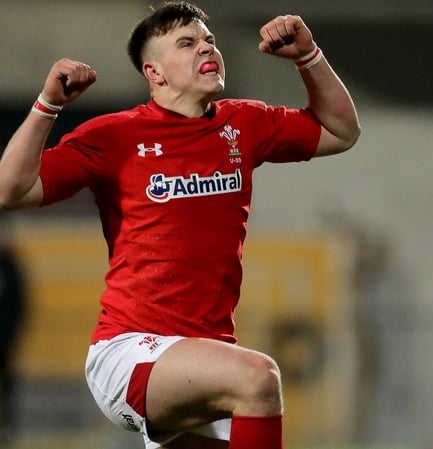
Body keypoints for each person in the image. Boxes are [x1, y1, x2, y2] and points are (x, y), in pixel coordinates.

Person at [0, 1, 360, 448]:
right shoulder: (114, 136)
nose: (206, 48)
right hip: (131, 352)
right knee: (259, 378)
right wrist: (47, 104)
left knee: (249, 385)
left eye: (208, 40)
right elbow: (9, 190)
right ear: (155, 73)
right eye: (186, 43)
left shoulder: (242, 123)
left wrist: (309, 57)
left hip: (203, 359)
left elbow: (341, 131)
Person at [0, 215, 27, 445]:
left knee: (7, 382)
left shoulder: (10, 265)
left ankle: (7, 426)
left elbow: (19, 304)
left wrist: (10, 336)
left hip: (4, 340)